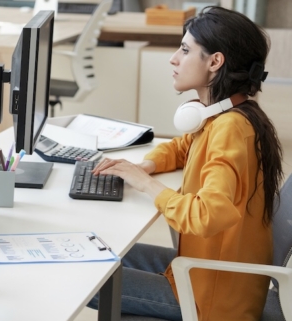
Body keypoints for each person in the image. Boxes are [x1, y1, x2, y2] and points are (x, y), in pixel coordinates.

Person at [87, 7, 283, 320]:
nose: (173, 59)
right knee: (102, 249)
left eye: (185, 49)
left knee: (85, 278)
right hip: (203, 273)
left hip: (211, 300)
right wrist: (148, 166)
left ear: (215, 62)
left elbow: (207, 215)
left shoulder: (230, 128)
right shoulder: (228, 114)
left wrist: (147, 185)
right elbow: (182, 148)